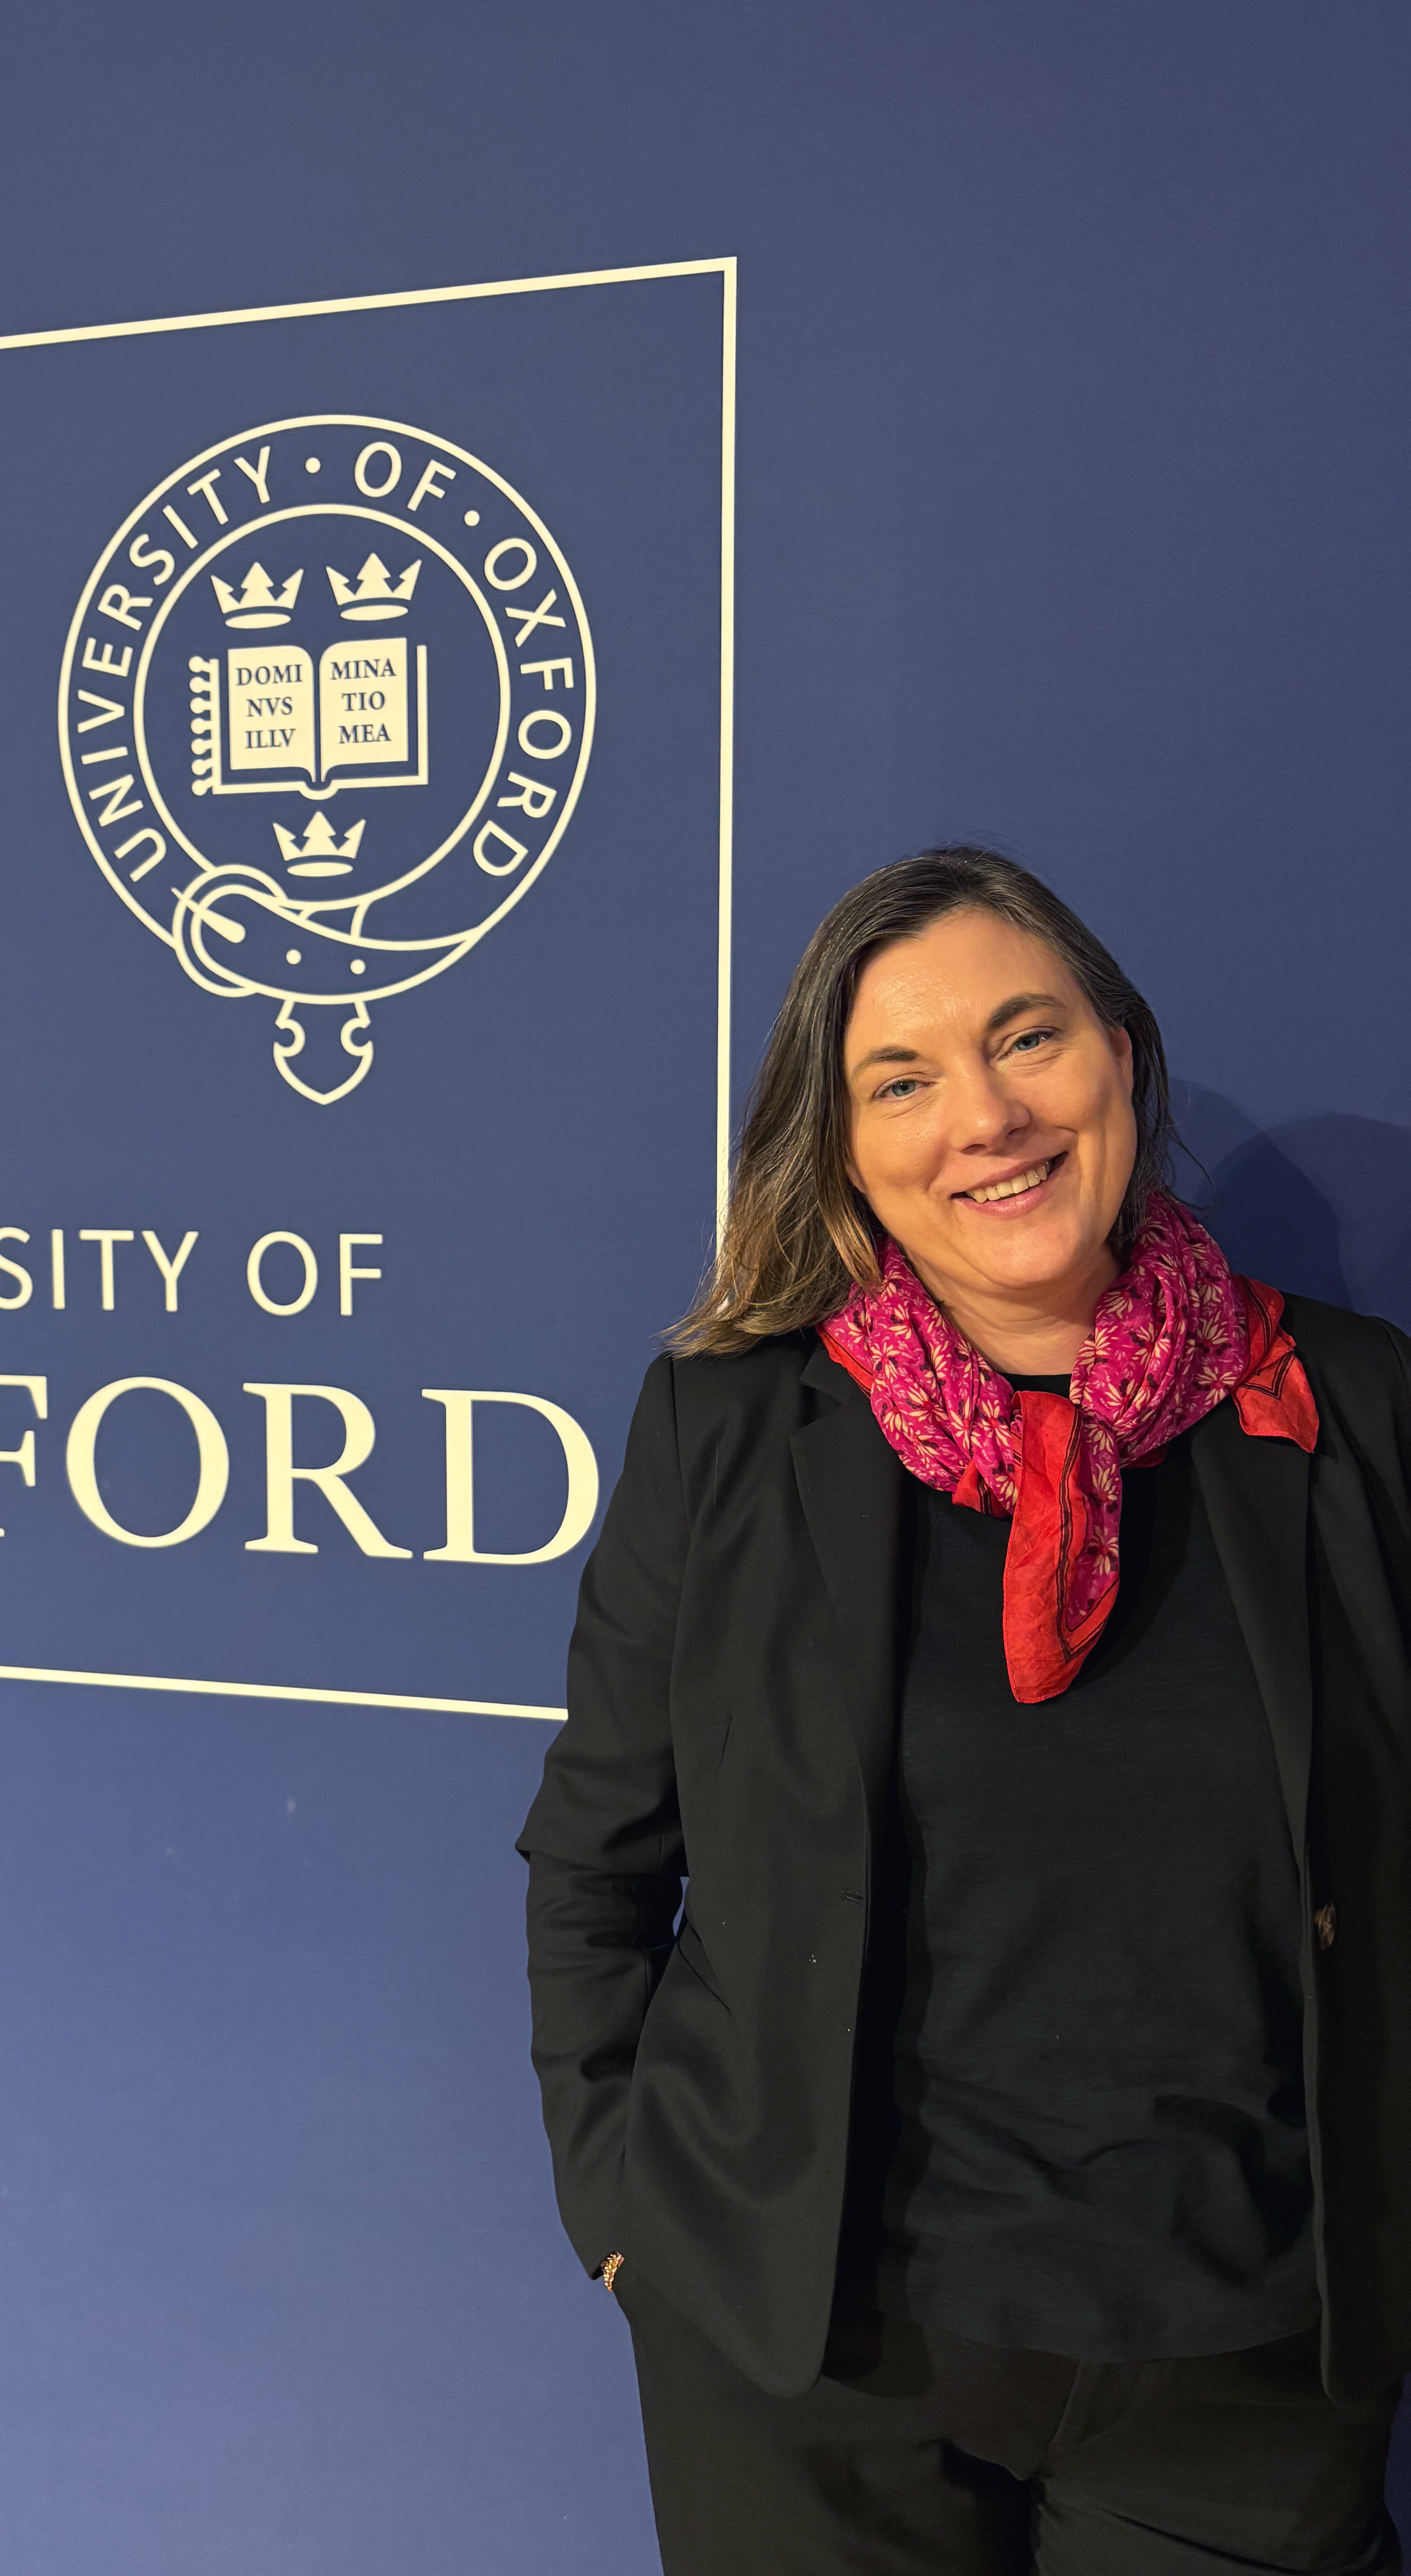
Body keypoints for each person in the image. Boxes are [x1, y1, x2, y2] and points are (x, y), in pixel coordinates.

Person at [519, 847, 1411, 2574]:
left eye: (1028, 1038)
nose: (984, 1118)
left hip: (1243, 2373)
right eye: (901, 1081)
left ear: (1121, 1059)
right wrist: (624, 2210)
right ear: (842, 1147)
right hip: (807, 2361)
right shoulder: (730, 1427)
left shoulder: (1356, 1408)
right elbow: (596, 1850)